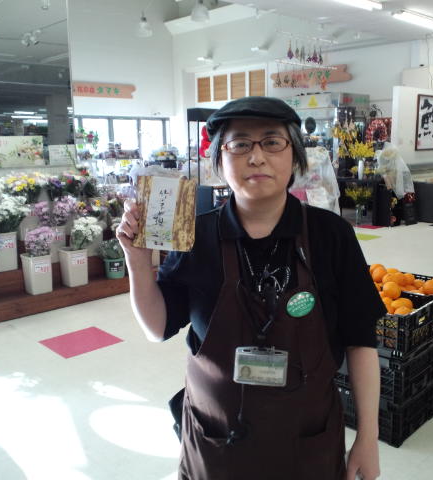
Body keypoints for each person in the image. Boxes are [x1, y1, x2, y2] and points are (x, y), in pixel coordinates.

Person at [117, 96, 384, 480]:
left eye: (272, 142)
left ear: (295, 155)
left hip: (306, 441)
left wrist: (368, 437)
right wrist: (138, 262)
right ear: (219, 161)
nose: (256, 158)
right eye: (240, 144)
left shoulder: (330, 235)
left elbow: (361, 341)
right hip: (217, 440)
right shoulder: (196, 235)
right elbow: (157, 328)